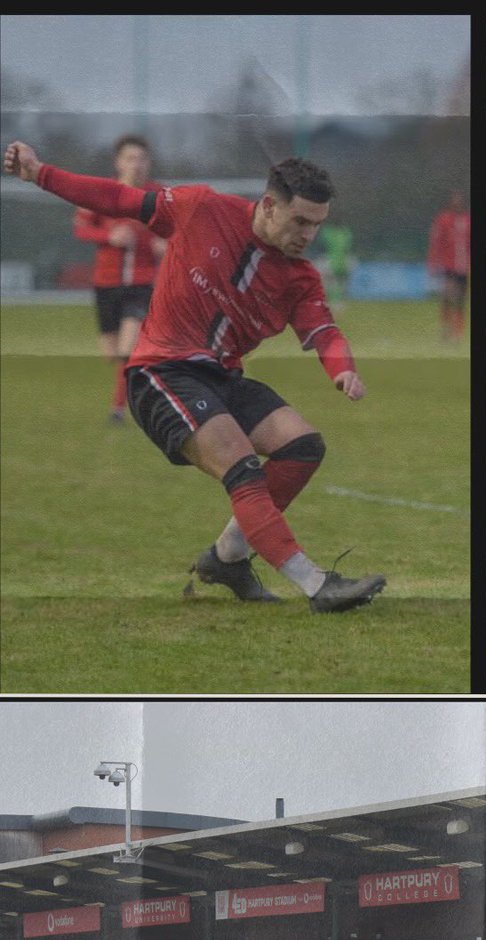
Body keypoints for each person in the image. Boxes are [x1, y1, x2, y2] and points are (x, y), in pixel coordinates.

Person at [4, 139, 386, 614]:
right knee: (242, 466)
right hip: (160, 372)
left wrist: (343, 369)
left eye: (318, 225)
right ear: (269, 205)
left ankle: (227, 557)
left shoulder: (300, 278)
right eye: (300, 221)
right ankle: (316, 584)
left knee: (303, 445)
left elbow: (324, 332)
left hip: (221, 379)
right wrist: (41, 173)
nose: (309, 235)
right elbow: (118, 199)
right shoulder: (201, 207)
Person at [72, 134, 166, 422]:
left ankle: (119, 409)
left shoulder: (159, 197)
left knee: (129, 350)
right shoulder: (102, 193)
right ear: (118, 162)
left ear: (148, 164)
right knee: (112, 353)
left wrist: (167, 244)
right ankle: (145, 381)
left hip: (142, 284)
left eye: (141, 159)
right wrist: (108, 236)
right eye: (129, 158)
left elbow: (177, 233)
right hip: (106, 284)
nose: (135, 165)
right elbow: (81, 229)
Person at [427, 188, 470, 341]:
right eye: (454, 200)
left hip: (463, 266)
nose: (457, 203)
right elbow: (436, 242)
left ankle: (458, 332)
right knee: (447, 297)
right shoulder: (443, 219)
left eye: (459, 200)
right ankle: (445, 328)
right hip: (448, 265)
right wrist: (432, 263)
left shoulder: (467, 220)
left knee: (460, 299)